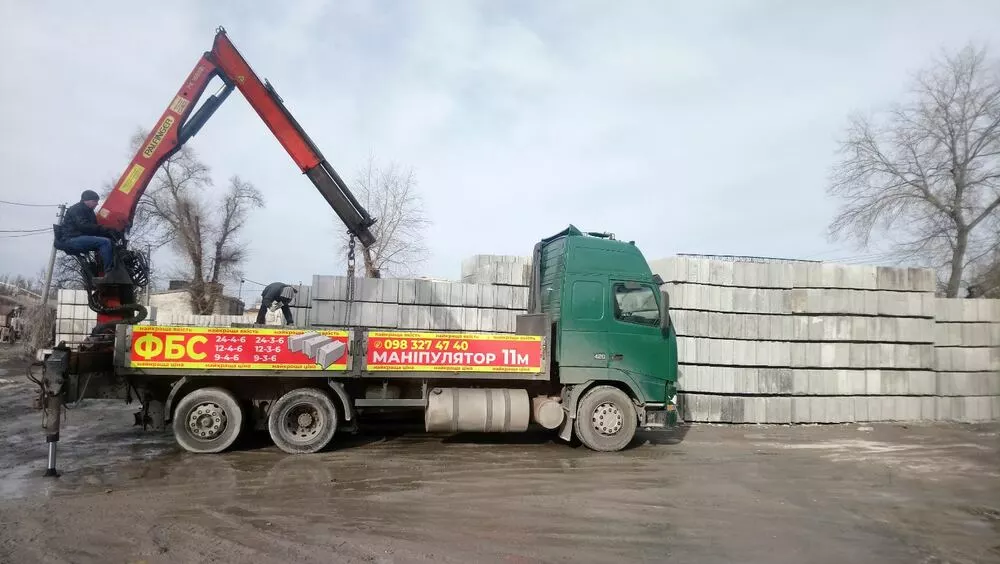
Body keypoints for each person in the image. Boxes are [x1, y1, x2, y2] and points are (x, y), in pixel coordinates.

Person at [56, 190, 118, 271]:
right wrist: (105, 229)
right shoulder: (76, 209)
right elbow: (84, 226)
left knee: (109, 242)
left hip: (79, 237)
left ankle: (105, 269)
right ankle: (110, 271)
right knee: (105, 242)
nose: (97, 203)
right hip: (71, 239)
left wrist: (109, 233)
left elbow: (94, 229)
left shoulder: (90, 212)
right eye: (95, 201)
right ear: (87, 200)